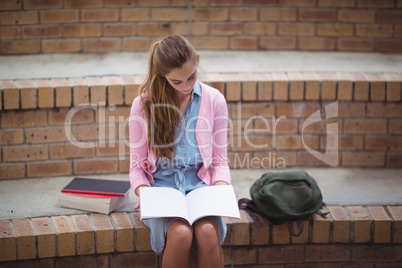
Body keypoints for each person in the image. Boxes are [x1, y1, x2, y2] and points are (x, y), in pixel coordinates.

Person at [128, 35, 231, 268]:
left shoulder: (215, 100)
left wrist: (220, 190)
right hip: (162, 191)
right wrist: (144, 193)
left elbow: (220, 161)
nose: (186, 86)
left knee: (206, 232)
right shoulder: (144, 105)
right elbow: (136, 167)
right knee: (181, 234)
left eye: (192, 77)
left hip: (200, 189)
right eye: (177, 82)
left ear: (197, 60)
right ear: (162, 75)